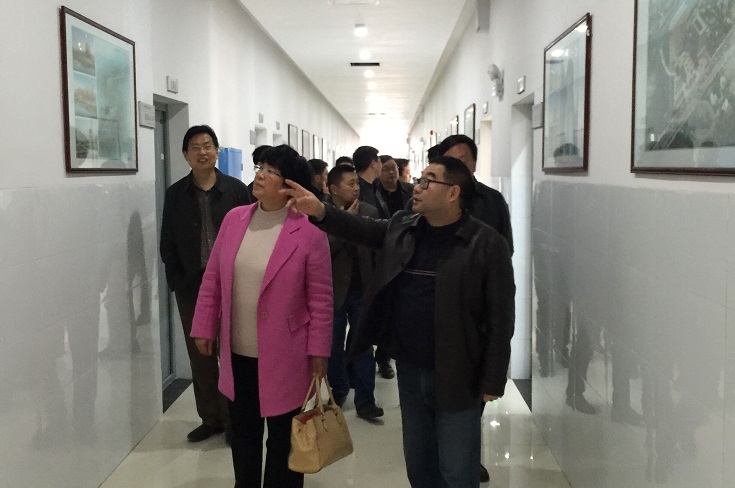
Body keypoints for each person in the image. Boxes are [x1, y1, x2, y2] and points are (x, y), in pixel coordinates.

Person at [283, 155, 515, 488]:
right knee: (419, 464)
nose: (417, 187)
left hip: (459, 371)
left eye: (428, 181)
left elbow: (501, 317)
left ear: (453, 193)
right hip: (410, 367)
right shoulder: (405, 226)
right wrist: (321, 211)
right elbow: (364, 229)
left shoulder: (486, 243)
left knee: (457, 468)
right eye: (419, 179)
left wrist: (493, 378)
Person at [191, 144, 333, 488]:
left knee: (284, 440)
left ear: (289, 185)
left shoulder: (309, 233)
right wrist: (204, 325)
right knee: (244, 436)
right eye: (260, 168)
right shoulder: (235, 219)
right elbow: (213, 278)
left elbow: (321, 301)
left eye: (271, 171)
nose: (260, 176)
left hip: (288, 355)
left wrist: (319, 353)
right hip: (238, 352)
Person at [160, 125, 251, 443]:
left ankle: (235, 420)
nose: (202, 152)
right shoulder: (175, 194)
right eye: (195, 147)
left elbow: (252, 234)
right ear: (185, 155)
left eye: (208, 145)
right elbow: (167, 242)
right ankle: (211, 418)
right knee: (201, 357)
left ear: (217, 151)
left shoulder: (236, 191)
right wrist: (177, 280)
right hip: (192, 288)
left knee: (233, 355)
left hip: (233, 286)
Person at [436, 134, 513, 483]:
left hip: (478, 316)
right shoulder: (430, 201)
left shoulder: (492, 201)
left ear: (474, 163)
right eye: (450, 160)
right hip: (442, 314)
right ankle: (451, 455)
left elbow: (505, 252)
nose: (458, 165)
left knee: (471, 399)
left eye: (464, 160)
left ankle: (466, 456)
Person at [324, 165, 384, 419]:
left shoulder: (369, 212)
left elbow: (379, 249)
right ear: (334, 189)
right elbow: (322, 250)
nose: (356, 188)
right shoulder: (321, 213)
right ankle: (338, 389)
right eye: (350, 184)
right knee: (333, 345)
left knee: (363, 345)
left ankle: (366, 400)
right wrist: (344, 223)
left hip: (363, 290)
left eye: (357, 183)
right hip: (333, 290)